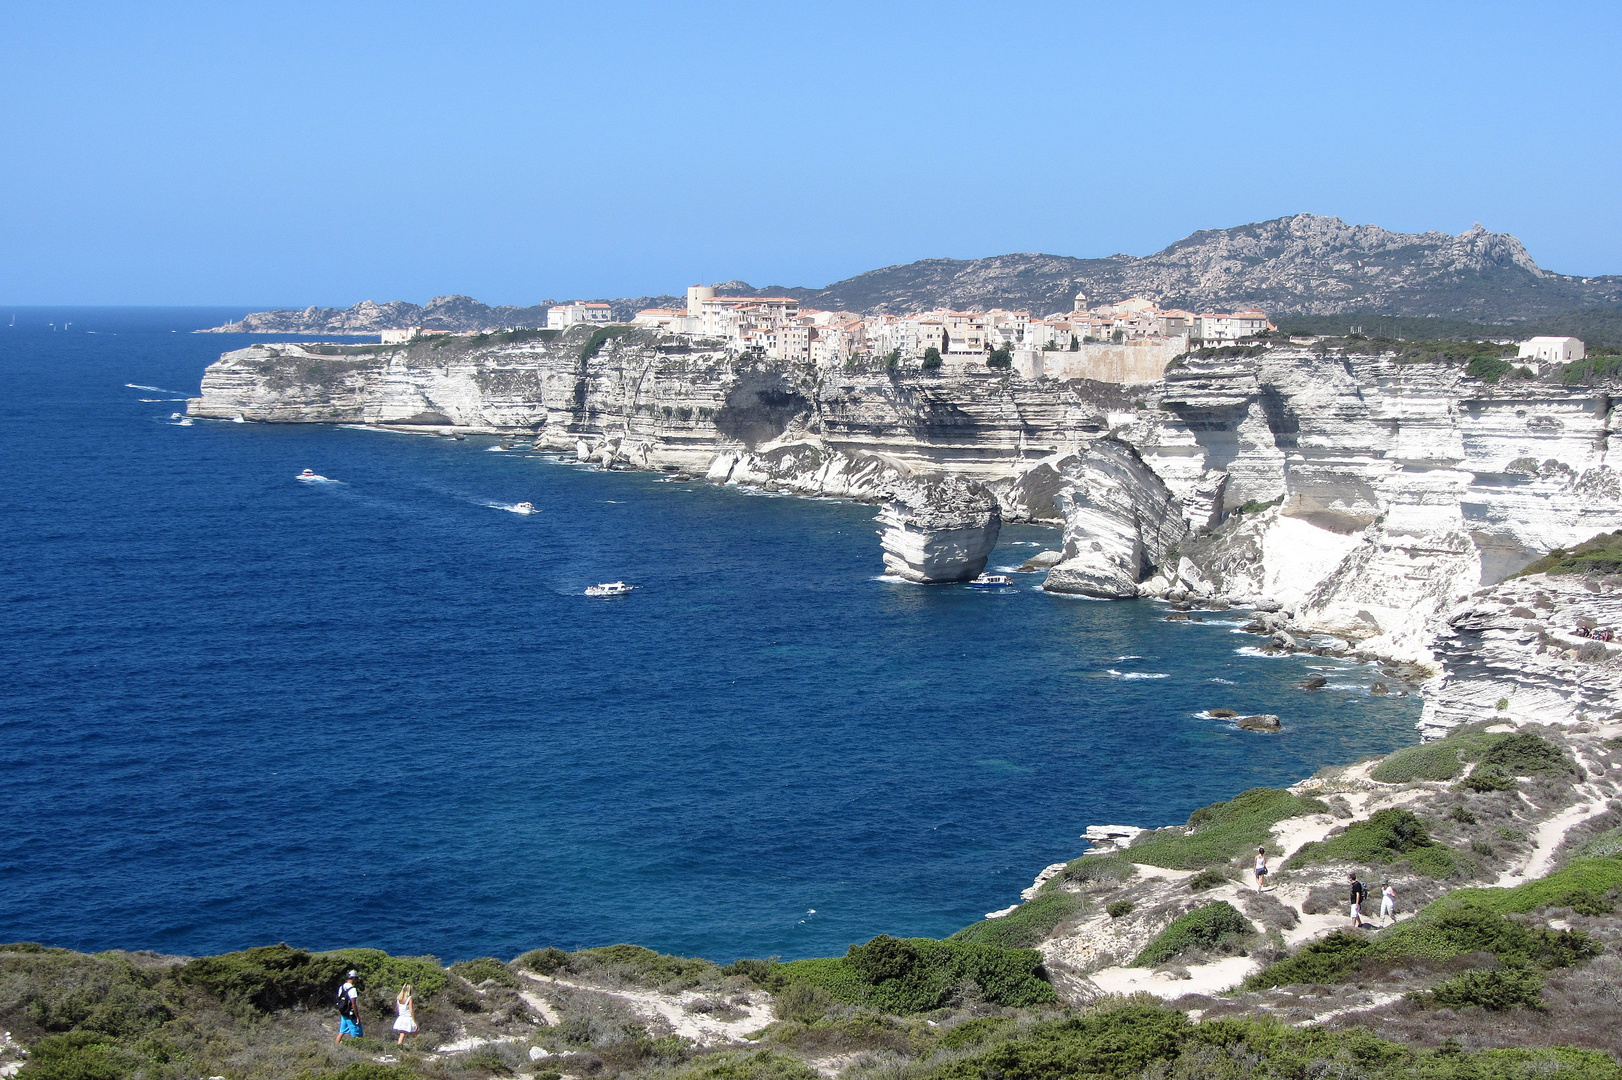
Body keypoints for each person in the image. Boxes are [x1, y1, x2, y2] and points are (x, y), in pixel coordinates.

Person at [335, 970, 362, 1044]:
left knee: (342, 1031)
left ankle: (336, 1046)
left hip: (343, 1012)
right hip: (350, 1014)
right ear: (353, 978)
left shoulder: (342, 987)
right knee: (358, 1034)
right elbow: (353, 1004)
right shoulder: (352, 989)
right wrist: (357, 1017)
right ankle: (358, 1049)